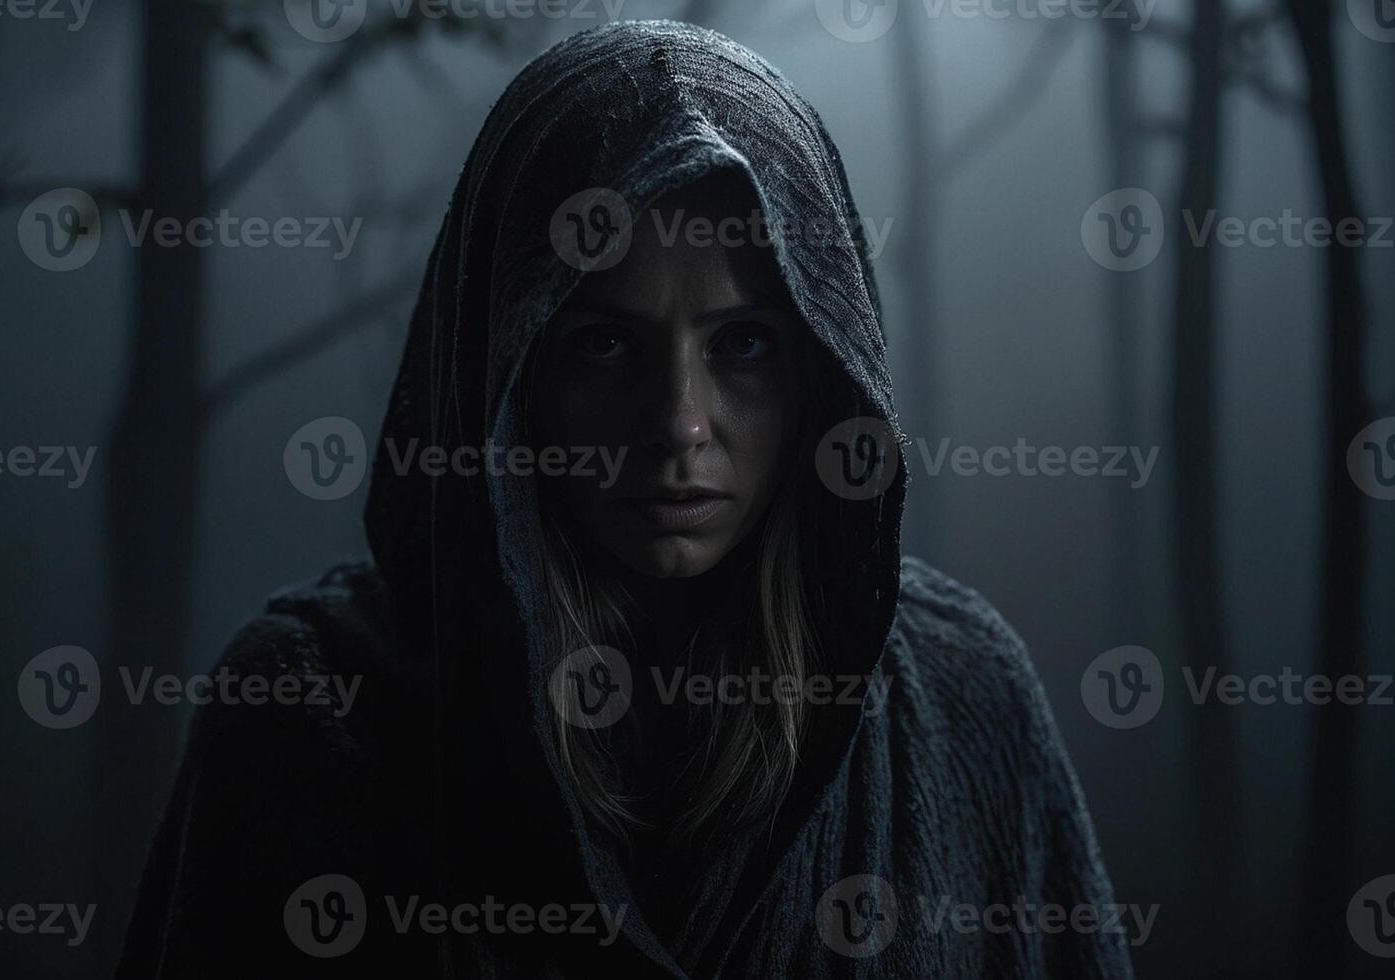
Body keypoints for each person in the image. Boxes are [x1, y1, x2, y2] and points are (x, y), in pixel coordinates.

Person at [117, 20, 1134, 978]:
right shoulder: (310, 713)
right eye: (604, 343)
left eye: (742, 344)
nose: (678, 423)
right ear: (507, 363)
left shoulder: (961, 697)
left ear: (824, 371)